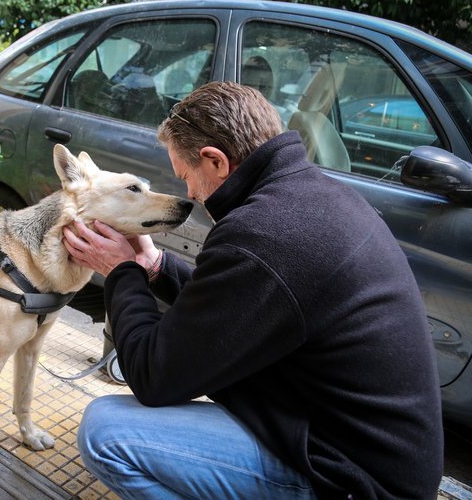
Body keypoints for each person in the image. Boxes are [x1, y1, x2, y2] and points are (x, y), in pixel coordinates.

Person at [62, 81, 443, 499]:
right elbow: (234, 306)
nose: (189, 193)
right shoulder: (314, 197)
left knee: (107, 433)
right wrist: (154, 266)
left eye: (186, 176)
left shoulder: (261, 235)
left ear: (215, 161)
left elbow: (152, 376)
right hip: (370, 454)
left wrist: (120, 272)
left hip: (354, 480)